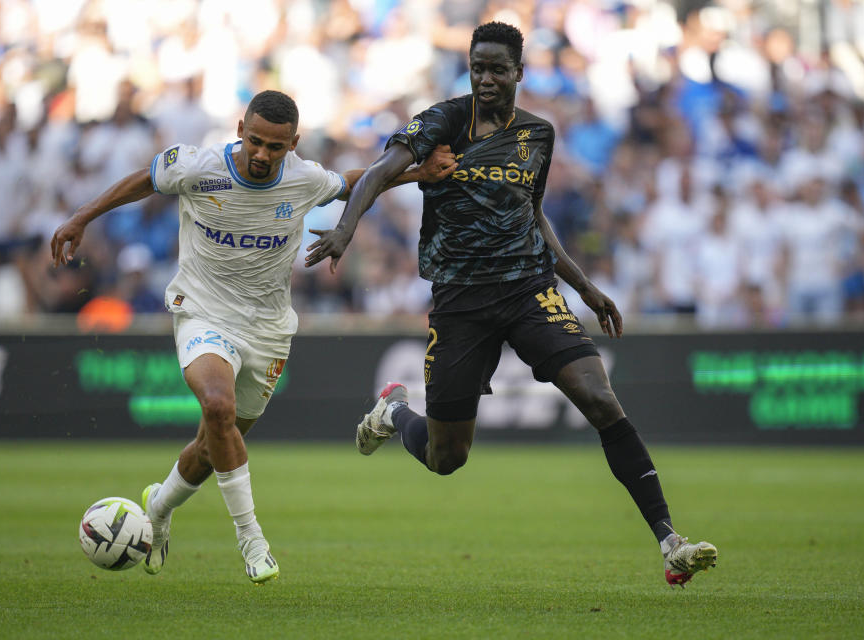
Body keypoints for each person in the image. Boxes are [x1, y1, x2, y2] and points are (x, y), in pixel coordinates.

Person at [305, 22, 718, 588]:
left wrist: (585, 288)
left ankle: (671, 541)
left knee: (600, 399)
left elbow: (535, 214)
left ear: (520, 72)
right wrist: (345, 229)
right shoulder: (444, 122)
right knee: (448, 457)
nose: (487, 78)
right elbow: (379, 172)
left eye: (498, 68)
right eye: (478, 67)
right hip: (460, 302)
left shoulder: (537, 135)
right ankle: (394, 413)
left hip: (529, 289)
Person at [50, 90, 455, 584]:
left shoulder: (304, 178)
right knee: (217, 409)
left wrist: (417, 174)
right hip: (203, 313)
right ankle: (252, 541)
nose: (263, 154)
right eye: (256, 141)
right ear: (240, 128)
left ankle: (157, 509)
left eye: (275, 147)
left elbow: (353, 184)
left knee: (214, 444)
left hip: (266, 329)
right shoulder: (199, 166)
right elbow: (144, 180)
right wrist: (80, 218)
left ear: (294, 143)